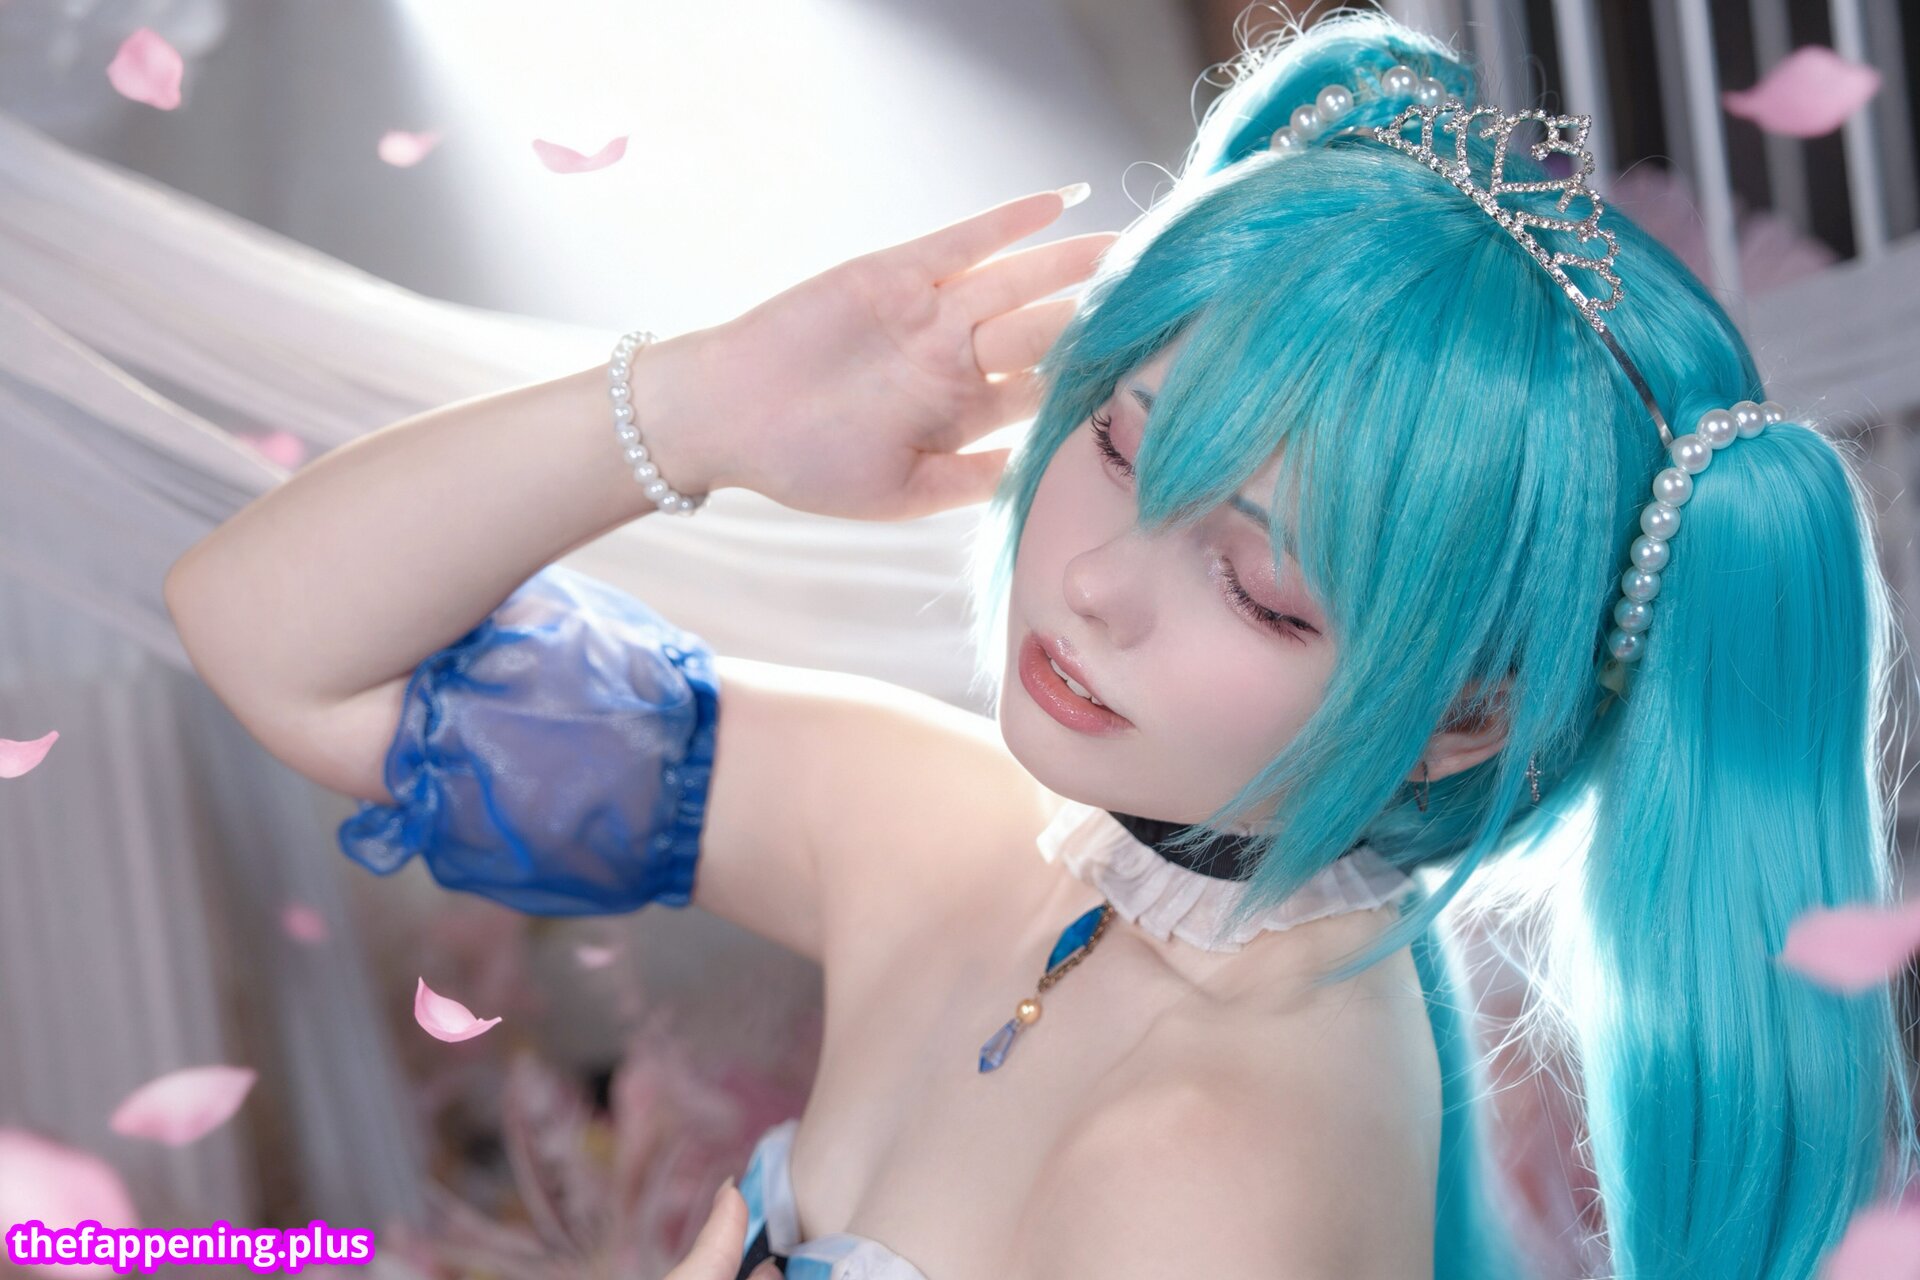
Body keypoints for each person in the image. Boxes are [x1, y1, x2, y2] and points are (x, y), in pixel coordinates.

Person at [162, 11, 1920, 1279]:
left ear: (1468, 719)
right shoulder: (957, 831)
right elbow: (274, 641)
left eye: (1259, 587)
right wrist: (704, 407)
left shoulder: (1225, 1176)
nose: (1094, 586)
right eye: (1121, 445)